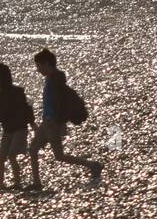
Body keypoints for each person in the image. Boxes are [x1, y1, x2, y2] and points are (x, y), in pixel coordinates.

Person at [27, 48, 102, 190]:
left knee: (59, 155)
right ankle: (36, 182)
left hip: (53, 122)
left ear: (47, 64)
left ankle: (93, 165)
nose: (38, 69)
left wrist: (62, 123)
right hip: (46, 121)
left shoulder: (56, 81)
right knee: (33, 149)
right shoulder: (50, 79)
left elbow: (61, 105)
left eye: (39, 65)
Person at [0, 62, 35, 191]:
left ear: (3, 77)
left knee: (12, 155)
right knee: (1, 158)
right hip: (7, 130)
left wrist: (32, 123)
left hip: (20, 127)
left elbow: (27, 109)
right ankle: (1, 185)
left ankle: (18, 183)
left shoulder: (16, 91)